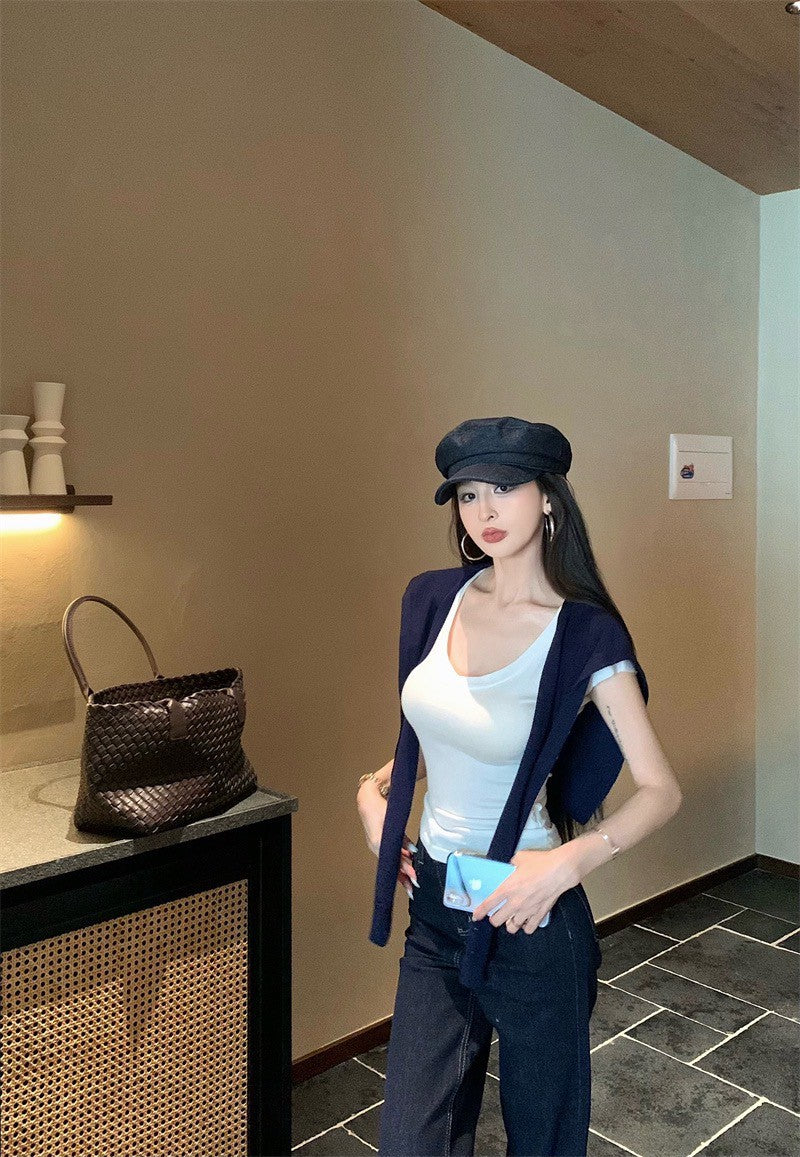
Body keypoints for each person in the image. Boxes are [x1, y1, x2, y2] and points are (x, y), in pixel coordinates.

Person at [357, 417, 682, 1157]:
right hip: (435, 906)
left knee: (543, 1139)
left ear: (548, 499)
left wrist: (566, 864)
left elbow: (661, 789)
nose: (485, 509)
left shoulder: (584, 633)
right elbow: (437, 736)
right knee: (413, 1140)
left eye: (504, 487)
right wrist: (373, 794)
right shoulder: (432, 599)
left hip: (530, 916)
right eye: (468, 494)